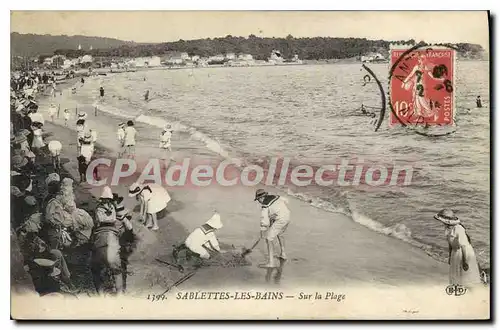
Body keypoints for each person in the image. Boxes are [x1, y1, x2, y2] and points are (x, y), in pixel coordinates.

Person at [434, 209, 481, 288]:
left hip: (464, 252)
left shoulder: (459, 229)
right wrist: (449, 257)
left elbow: (463, 246)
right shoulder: (447, 228)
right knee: (456, 274)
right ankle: (459, 290)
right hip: (455, 252)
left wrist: (465, 261)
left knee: (466, 275)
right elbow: (450, 244)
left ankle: (469, 290)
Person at [254, 189, 291, 268]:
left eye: (258, 200)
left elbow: (264, 220)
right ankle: (283, 254)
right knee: (280, 233)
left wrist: (263, 231)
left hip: (280, 219)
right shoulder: (275, 196)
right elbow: (286, 200)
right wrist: (276, 213)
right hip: (287, 215)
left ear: (261, 198)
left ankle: (271, 263)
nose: (259, 202)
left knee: (269, 239)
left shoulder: (265, 205)